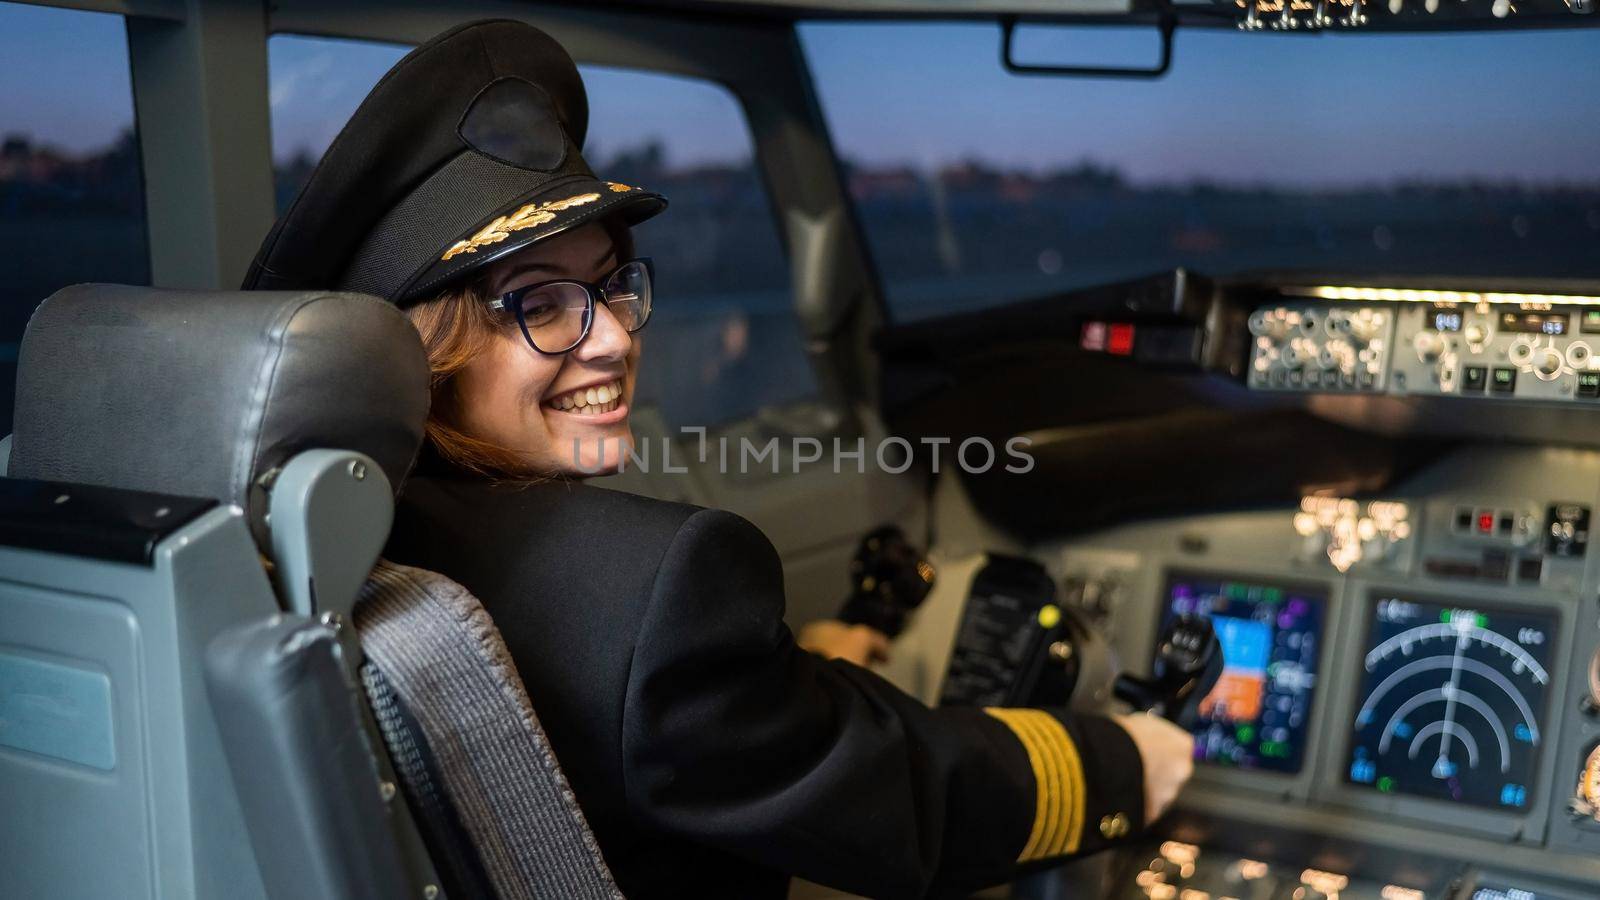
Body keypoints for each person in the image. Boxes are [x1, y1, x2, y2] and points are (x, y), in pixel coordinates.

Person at [243, 19, 1194, 899]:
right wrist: (1122, 761)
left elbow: (665, 726)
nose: (613, 339)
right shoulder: (651, 587)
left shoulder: (329, 539)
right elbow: (903, 798)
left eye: (611, 285)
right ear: (425, 350)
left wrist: (790, 678)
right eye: (539, 304)